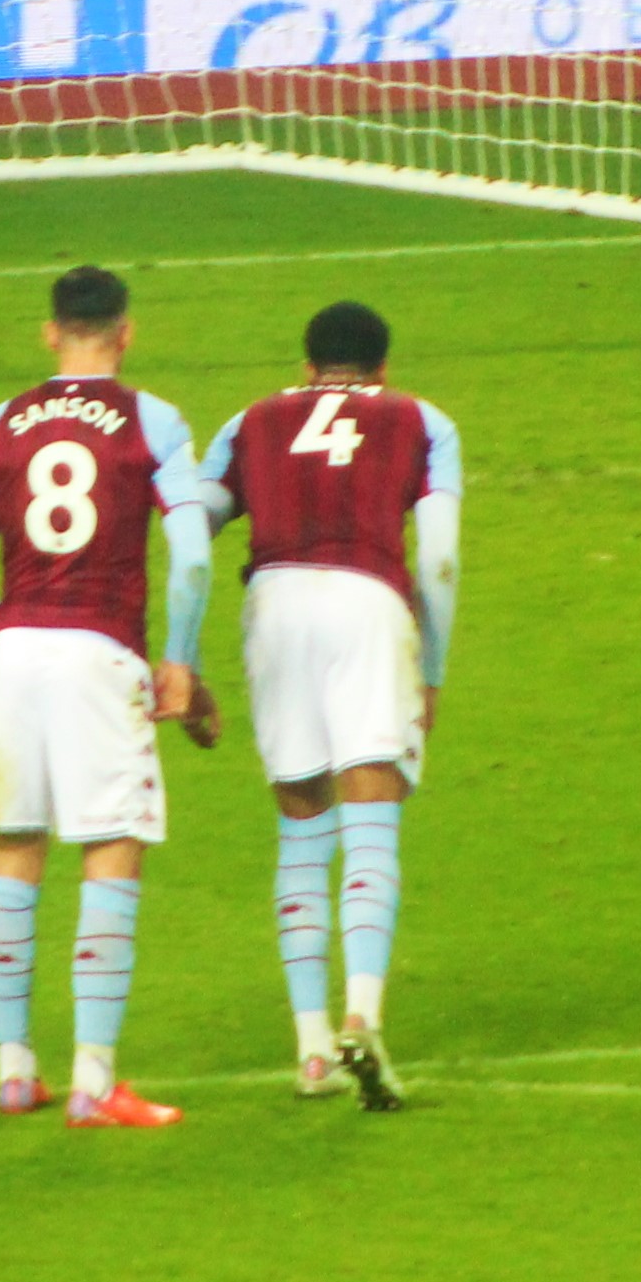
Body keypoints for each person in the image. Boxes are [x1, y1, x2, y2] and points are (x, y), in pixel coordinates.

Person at [0, 266, 214, 1127]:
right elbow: (194, 557)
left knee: (16, 845)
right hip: (99, 649)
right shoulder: (153, 420)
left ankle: (14, 1070)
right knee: (112, 844)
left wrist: (2, 639)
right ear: (125, 334)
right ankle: (94, 1082)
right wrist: (178, 660)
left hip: (14, 649)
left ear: (49, 333)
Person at [197, 299, 463, 1110]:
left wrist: (176, 648)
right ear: (383, 368)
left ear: (306, 367)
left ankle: (311, 1049)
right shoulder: (422, 421)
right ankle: (362, 1017)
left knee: (302, 829)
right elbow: (440, 557)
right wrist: (432, 670)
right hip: (366, 604)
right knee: (371, 820)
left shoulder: (247, 422)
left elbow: (193, 528)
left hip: (274, 607)